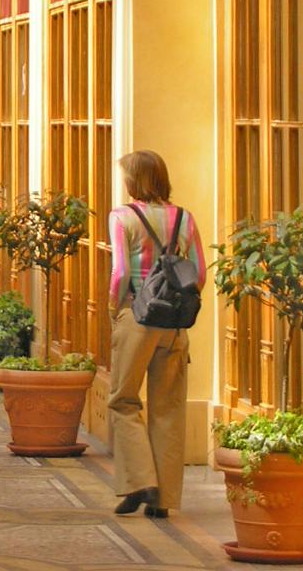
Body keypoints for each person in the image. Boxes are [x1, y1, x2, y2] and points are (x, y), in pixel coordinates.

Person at [107, 150, 206, 519]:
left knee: (123, 400)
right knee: (169, 407)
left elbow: (120, 272)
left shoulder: (123, 217)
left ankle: (140, 481)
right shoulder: (185, 218)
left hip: (138, 314)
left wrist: (114, 308)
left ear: (135, 180)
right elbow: (199, 274)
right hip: (174, 325)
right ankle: (163, 499)